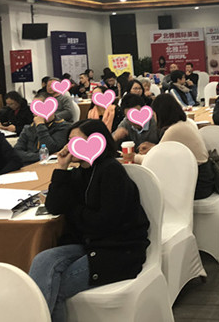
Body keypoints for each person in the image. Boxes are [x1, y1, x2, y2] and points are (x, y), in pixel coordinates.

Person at [29, 119, 150, 322]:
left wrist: (73, 210)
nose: (70, 146)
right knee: (43, 261)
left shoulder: (111, 171)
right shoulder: (79, 172)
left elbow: (105, 222)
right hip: (89, 245)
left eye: (76, 140)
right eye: (69, 141)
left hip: (118, 250)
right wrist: (61, 168)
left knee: (50, 286)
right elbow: (54, 206)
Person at [135, 94, 216, 199]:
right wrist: (154, 148)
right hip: (205, 178)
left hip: (198, 183)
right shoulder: (185, 123)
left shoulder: (174, 130)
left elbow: (154, 160)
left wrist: (133, 157)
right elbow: (166, 150)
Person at [14, 93, 71, 165]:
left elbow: (51, 149)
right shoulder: (28, 128)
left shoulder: (63, 127)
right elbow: (16, 151)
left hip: (50, 165)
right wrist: (40, 156)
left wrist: (40, 125)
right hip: (28, 165)